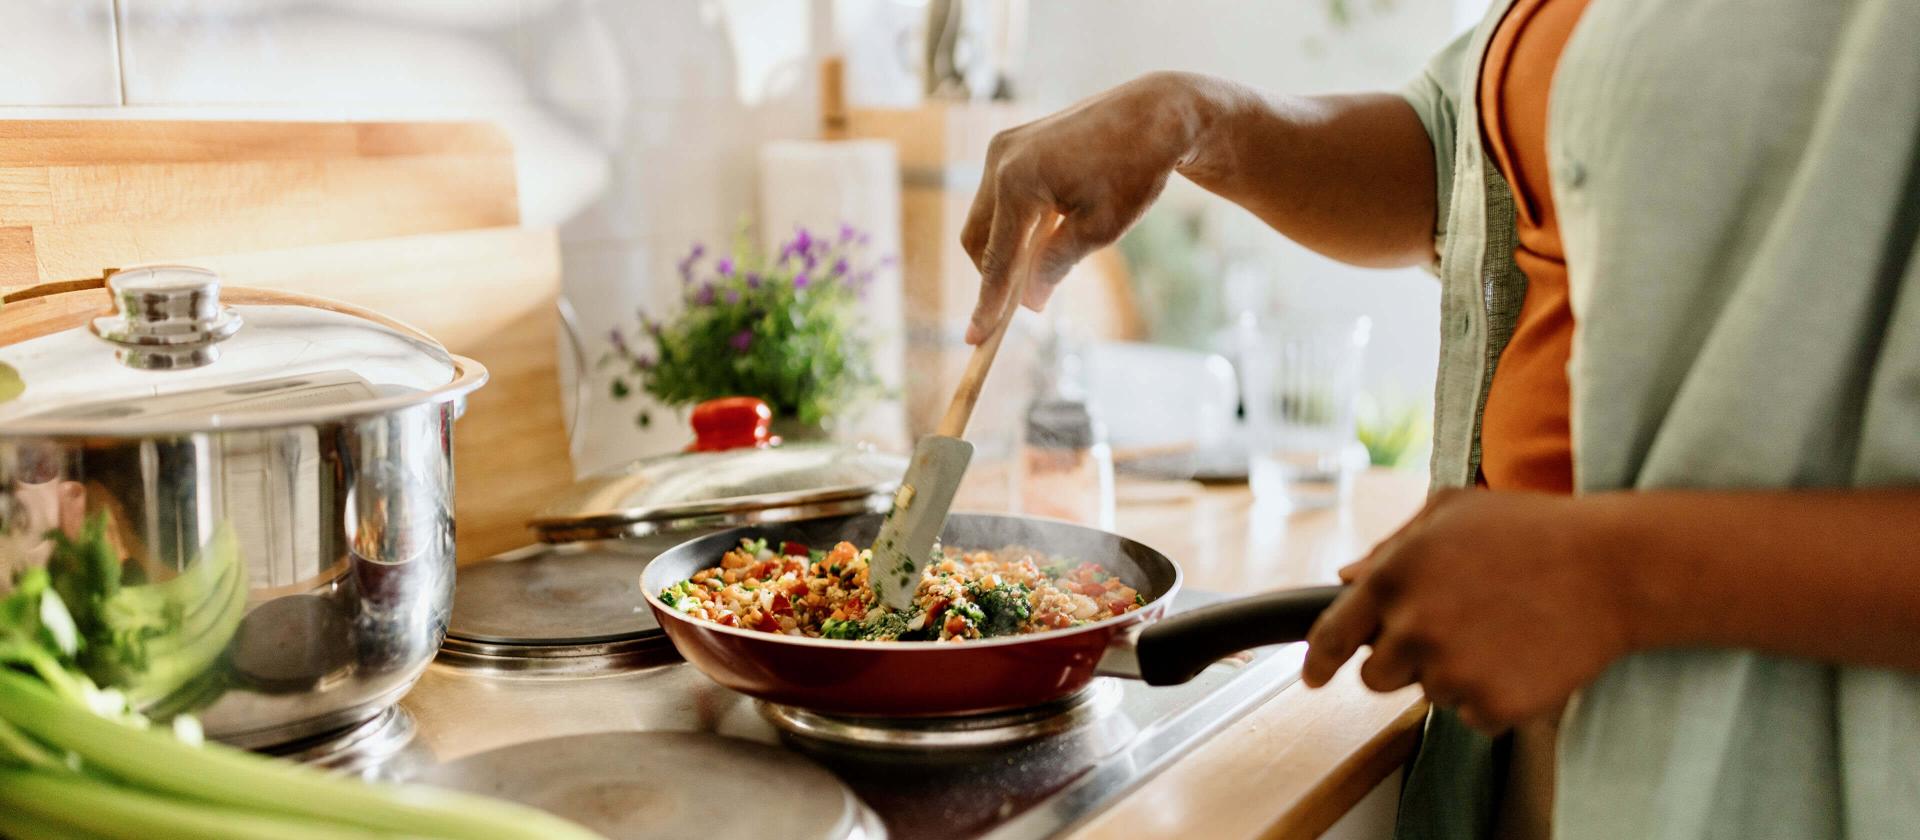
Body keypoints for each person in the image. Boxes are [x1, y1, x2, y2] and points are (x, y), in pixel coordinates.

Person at [958, 2, 1920, 839]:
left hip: (1783, 763)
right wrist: (1191, 117)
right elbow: (1464, 155)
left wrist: (1614, 573)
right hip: (1537, 732)